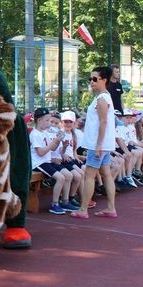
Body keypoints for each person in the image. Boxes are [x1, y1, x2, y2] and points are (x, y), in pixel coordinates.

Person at [72, 67, 118, 219]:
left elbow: (103, 122)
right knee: (106, 174)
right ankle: (111, 208)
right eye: (90, 79)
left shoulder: (102, 99)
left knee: (89, 176)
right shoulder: (103, 97)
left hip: (97, 144)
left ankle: (83, 209)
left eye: (95, 79)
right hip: (103, 144)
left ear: (104, 80)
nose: (91, 82)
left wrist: (98, 145)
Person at [29, 107, 77, 214]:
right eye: (47, 120)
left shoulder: (44, 132)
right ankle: (54, 204)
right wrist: (54, 141)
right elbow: (41, 152)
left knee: (68, 175)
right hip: (38, 163)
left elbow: (53, 149)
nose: (49, 123)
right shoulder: (35, 134)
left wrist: (60, 142)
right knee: (60, 178)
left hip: (47, 161)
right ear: (39, 120)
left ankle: (65, 201)